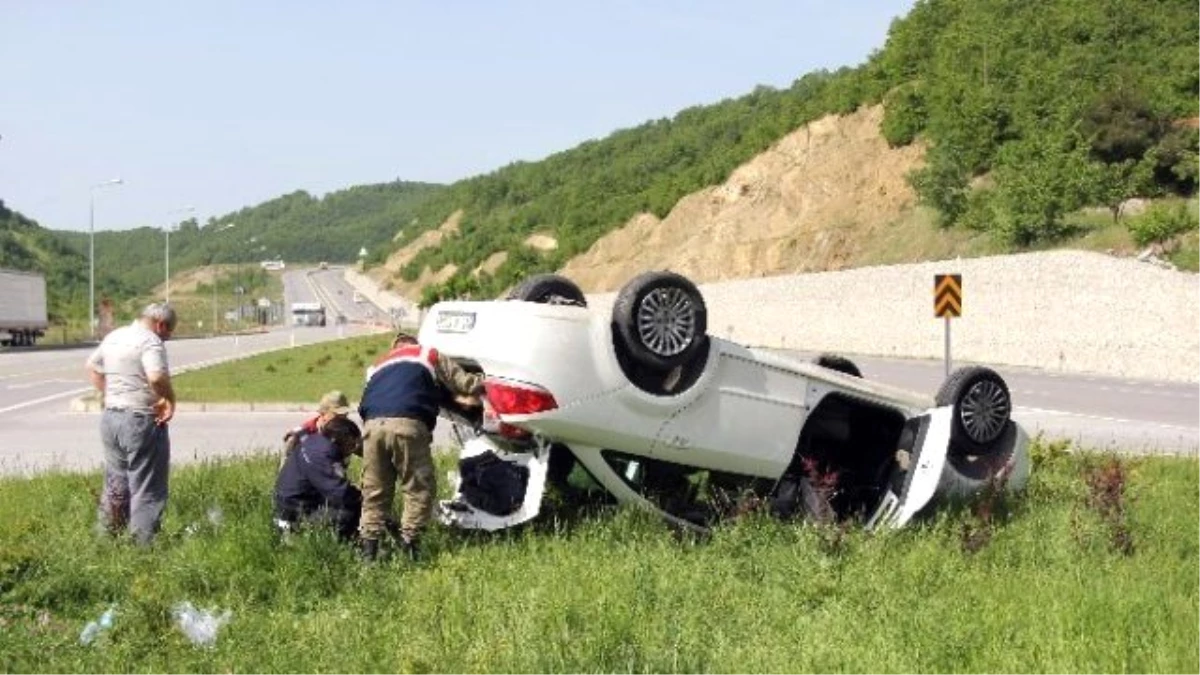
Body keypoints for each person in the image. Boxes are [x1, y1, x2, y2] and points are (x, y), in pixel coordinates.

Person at [357, 331, 483, 560]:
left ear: (394, 347)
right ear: (414, 343)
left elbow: (369, 398)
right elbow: (465, 383)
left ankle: (368, 554)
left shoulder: (378, 365)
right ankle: (410, 549)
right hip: (407, 423)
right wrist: (488, 382)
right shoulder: (427, 353)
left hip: (372, 426)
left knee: (374, 493)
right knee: (418, 489)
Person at [85, 302, 178, 545]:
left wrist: (110, 395)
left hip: (111, 418)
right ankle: (142, 550)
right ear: (160, 325)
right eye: (169, 332)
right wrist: (169, 399)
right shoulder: (150, 341)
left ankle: (107, 540)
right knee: (146, 488)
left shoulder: (115, 336)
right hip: (139, 419)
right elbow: (156, 376)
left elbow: (92, 367)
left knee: (116, 484)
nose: (168, 337)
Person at [273, 415, 364, 540]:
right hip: (296, 512)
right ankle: (342, 546)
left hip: (291, 504)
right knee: (349, 510)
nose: (351, 450)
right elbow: (340, 493)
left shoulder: (315, 441)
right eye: (350, 445)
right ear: (337, 439)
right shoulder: (321, 456)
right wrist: (366, 500)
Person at [280, 390, 353, 466]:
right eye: (337, 415)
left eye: (345, 415)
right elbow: (285, 473)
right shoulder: (298, 437)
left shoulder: (344, 437)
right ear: (323, 413)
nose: (342, 419)